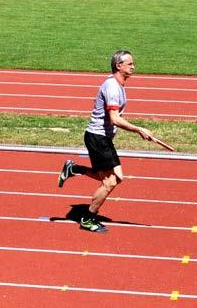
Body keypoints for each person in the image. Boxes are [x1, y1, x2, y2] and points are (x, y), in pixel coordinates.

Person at [57, 50, 154, 233]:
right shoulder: (112, 87)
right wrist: (139, 129)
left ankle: (74, 169)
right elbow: (114, 119)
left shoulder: (117, 84)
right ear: (119, 66)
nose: (133, 66)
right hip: (97, 138)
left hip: (103, 138)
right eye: (130, 64)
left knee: (116, 178)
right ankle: (88, 218)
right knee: (110, 182)